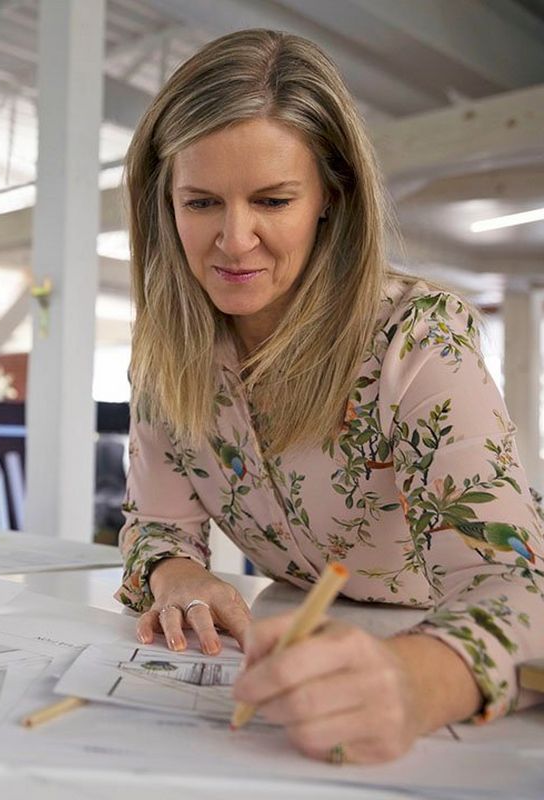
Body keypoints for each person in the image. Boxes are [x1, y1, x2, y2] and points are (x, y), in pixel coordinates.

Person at [114, 28, 544, 765]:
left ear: (329, 198)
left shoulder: (417, 338)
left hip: (437, 656)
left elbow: (520, 584)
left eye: (273, 200)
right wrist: (177, 574)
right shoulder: (167, 358)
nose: (234, 239)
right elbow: (153, 527)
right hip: (294, 651)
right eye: (202, 202)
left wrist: (418, 681)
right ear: (164, 201)